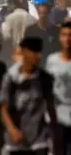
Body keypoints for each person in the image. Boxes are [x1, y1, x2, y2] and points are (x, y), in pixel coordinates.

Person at [0, 36, 57, 155]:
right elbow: (4, 109)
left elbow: (50, 107)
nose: (38, 55)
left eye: (39, 51)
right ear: (24, 52)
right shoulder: (10, 78)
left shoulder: (44, 78)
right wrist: (12, 130)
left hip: (39, 139)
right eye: (34, 51)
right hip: (16, 141)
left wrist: (55, 133)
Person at [47, 22, 71, 152]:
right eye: (64, 35)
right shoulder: (52, 60)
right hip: (58, 118)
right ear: (60, 37)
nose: (67, 39)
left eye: (70, 35)